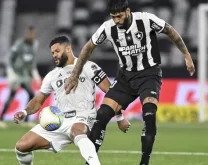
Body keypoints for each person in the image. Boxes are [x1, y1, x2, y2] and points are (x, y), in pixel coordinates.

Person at [64, 0, 195, 165]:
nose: (117, 21)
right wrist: (75, 74)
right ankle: (91, 162)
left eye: (119, 16)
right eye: (113, 17)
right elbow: (88, 47)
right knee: (102, 115)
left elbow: (170, 31)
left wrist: (187, 55)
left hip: (149, 75)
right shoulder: (108, 27)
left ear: (127, 11)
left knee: (149, 114)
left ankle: (144, 163)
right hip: (125, 78)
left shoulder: (146, 20)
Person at [13, 36, 130, 165]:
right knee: (21, 147)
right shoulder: (51, 76)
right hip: (59, 120)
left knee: (77, 131)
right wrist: (24, 112)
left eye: (57, 51)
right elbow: (38, 101)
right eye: (52, 53)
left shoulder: (89, 67)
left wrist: (120, 118)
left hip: (84, 117)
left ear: (68, 48)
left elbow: (111, 92)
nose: (54, 55)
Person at [0, 26, 41, 129]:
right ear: (27, 34)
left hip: (25, 75)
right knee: (12, 94)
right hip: (16, 73)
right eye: (30, 34)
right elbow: (10, 57)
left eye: (33, 34)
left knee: (31, 94)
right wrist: (10, 73)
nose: (31, 36)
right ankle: (0, 119)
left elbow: (32, 62)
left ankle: (27, 120)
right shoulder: (20, 43)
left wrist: (35, 75)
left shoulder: (35, 45)